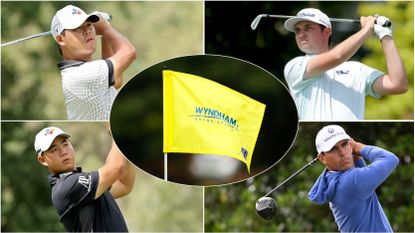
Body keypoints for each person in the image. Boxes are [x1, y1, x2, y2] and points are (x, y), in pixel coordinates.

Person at [283, 8, 407, 120]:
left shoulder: (357, 69)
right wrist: (367, 30)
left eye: (307, 28)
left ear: (326, 32)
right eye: (297, 30)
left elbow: (397, 85)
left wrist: (385, 35)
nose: (301, 34)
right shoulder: (294, 65)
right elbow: (337, 56)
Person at [34, 126, 136, 232]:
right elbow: (115, 167)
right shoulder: (65, 187)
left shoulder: (87, 187)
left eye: (65, 144)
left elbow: (124, 184)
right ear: (42, 160)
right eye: (54, 149)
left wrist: (125, 144)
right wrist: (117, 132)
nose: (63, 152)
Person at [51, 5, 136, 120]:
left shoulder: (81, 72)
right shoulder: (79, 75)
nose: (87, 31)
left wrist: (104, 33)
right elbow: (129, 53)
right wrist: (105, 28)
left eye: (89, 24)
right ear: (61, 39)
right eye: (77, 28)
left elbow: (116, 81)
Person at [309, 124, 399, 232]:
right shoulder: (351, 182)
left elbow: (362, 178)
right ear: (322, 158)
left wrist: (356, 158)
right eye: (333, 149)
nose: (342, 153)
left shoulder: (330, 179)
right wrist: (357, 147)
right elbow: (390, 159)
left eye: (344, 144)